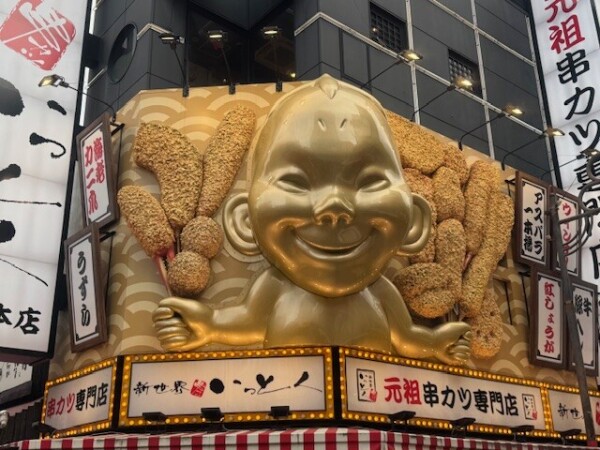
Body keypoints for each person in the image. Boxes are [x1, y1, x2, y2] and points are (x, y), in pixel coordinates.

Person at [153, 75, 470, 365]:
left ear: (414, 223)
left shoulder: (381, 293)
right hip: (284, 395)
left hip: (374, 396)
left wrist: (435, 343)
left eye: (370, 181)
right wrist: (207, 324)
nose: (335, 207)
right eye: (295, 181)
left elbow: (407, 337)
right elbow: (247, 321)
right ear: (245, 222)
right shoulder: (275, 286)